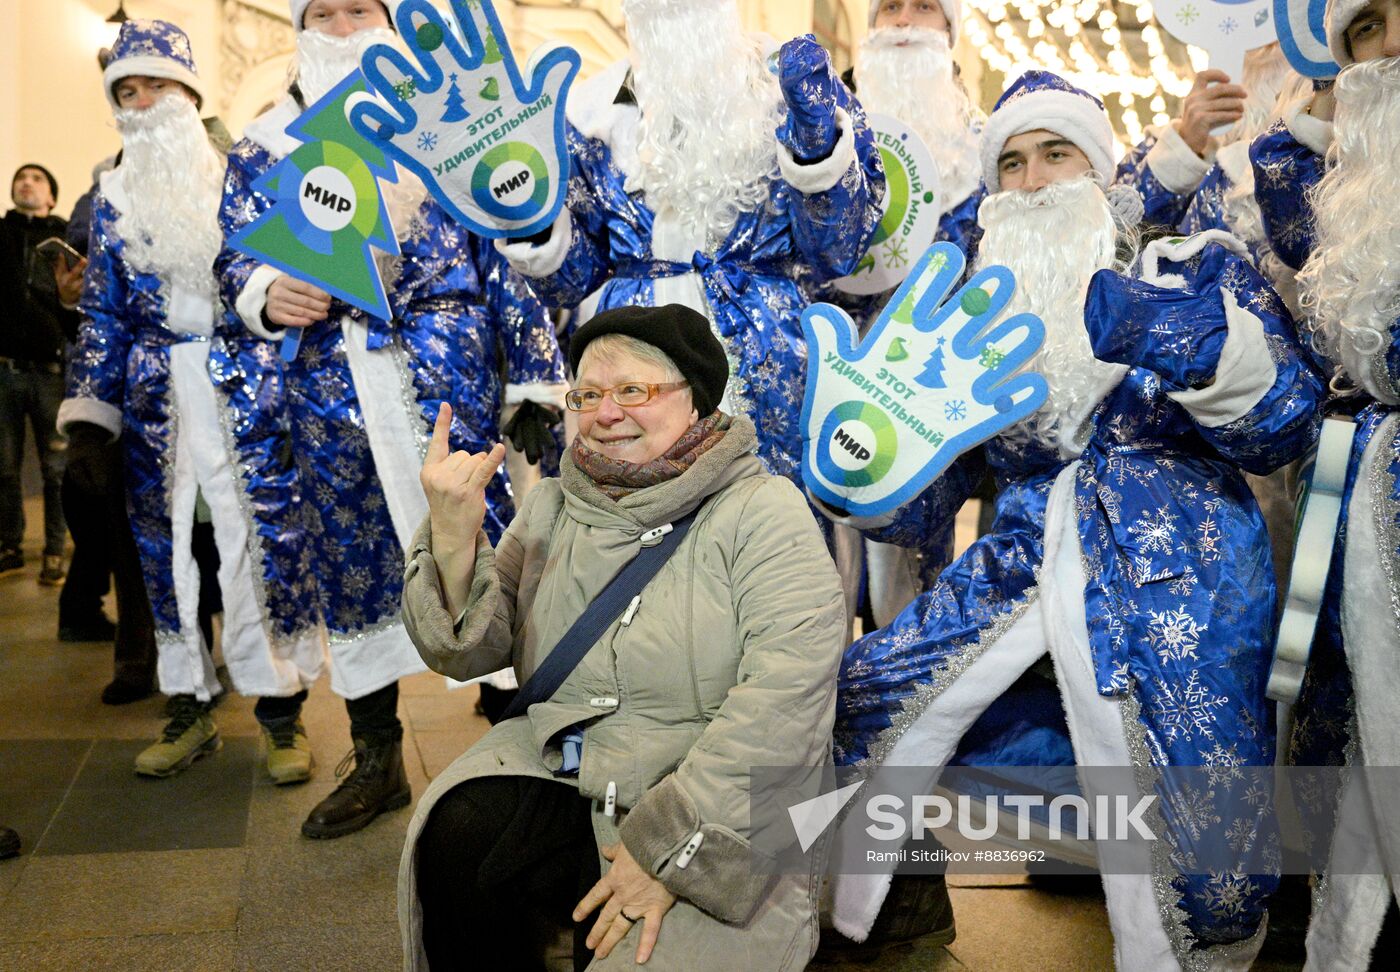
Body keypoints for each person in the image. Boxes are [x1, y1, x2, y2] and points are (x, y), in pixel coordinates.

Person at [823, 70, 1325, 968]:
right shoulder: (970, 322)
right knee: (861, 701)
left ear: (1100, 170)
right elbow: (930, 502)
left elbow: (1283, 418)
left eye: (1058, 153)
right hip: (1018, 557)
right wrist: (864, 474)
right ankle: (899, 922)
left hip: (1181, 566)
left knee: (1207, 849)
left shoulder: (1188, 262)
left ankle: (1209, 938)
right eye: (1010, 162)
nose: (1034, 179)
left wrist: (1181, 335)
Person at [397, 304, 845, 970]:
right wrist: (455, 537)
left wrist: (668, 851)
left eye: (633, 390)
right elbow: (469, 652)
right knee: (459, 836)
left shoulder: (762, 512)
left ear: (695, 402)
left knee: (643, 953)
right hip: (575, 769)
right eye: (587, 394)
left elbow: (784, 703)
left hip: (711, 797)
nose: (605, 413)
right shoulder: (554, 503)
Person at [215, 0, 566, 839]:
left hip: (448, 373)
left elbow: (502, 248)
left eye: (360, 8)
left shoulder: (448, 124)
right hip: (330, 391)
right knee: (353, 559)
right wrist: (264, 292)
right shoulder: (266, 140)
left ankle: (526, 740)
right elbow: (234, 249)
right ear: (301, 28)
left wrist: (535, 377)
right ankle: (376, 757)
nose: (344, 28)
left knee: (486, 549)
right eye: (324, 13)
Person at [56, 20, 326, 770]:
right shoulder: (109, 198)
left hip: (247, 400)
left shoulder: (243, 177)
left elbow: (282, 281)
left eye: (158, 87)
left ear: (190, 93)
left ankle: (282, 717)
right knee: (170, 560)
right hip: (155, 410)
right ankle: (188, 710)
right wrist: (89, 423)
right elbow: (102, 313)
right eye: (127, 91)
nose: (143, 104)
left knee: (267, 549)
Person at [493, 0, 885, 493]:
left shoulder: (786, 90)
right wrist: (526, 221)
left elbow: (837, 251)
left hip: (766, 356)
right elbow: (571, 280)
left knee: (770, 532)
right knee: (632, 535)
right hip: (633, 361)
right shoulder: (588, 115)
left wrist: (821, 153)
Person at [1250, 0, 1400, 966]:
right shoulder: (1353, 193)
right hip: (1355, 490)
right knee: (1336, 715)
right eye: (1367, 30)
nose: (1392, 48)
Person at [0, 163, 81, 584]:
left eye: (36, 179)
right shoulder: (2, 234)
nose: (25, 183)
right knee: (4, 467)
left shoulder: (68, 238)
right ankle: (9, 547)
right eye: (20, 178)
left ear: (51, 194)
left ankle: (54, 550)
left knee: (56, 468)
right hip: (5, 369)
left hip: (52, 370)